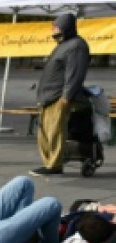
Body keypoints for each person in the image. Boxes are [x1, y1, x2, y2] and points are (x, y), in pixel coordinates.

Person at [33, 12, 91, 176]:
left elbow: (75, 73)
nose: (53, 29)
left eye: (56, 26)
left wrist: (66, 96)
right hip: (48, 97)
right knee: (45, 132)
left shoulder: (76, 46)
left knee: (55, 131)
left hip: (59, 96)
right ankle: (48, 162)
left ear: (65, 27)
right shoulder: (63, 45)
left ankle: (54, 165)